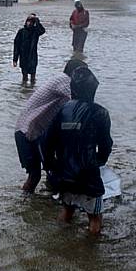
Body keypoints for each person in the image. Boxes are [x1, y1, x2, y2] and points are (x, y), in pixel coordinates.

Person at [43, 66, 113, 235]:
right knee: (95, 217)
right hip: (88, 176)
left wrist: (52, 166)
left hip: (65, 173)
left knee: (67, 211)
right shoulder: (100, 112)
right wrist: (98, 162)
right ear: (93, 88)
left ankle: (60, 243)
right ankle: (89, 255)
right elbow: (106, 145)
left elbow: (47, 142)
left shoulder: (61, 111)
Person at [15, 58, 86, 194]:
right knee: (35, 176)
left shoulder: (61, 80)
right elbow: (80, 101)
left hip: (35, 131)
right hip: (27, 132)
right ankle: (25, 202)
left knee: (51, 168)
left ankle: (45, 202)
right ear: (75, 73)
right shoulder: (64, 80)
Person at [13, 13, 46, 84]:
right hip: (23, 57)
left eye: (31, 21)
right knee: (24, 77)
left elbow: (42, 31)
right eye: (28, 21)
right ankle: (24, 90)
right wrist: (15, 59)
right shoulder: (21, 32)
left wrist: (37, 20)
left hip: (32, 57)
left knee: (33, 78)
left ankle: (32, 90)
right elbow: (16, 46)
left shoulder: (35, 32)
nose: (29, 23)